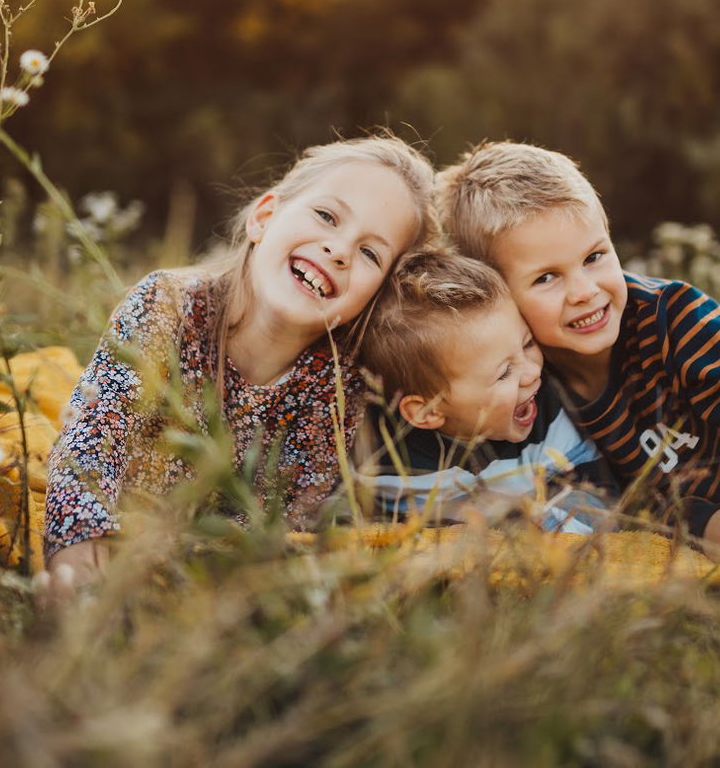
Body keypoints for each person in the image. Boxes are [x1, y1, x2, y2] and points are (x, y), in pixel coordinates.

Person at [42, 134, 436, 595]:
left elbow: (277, 520)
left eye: (370, 253)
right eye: (326, 216)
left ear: (377, 296)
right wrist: (77, 553)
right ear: (265, 217)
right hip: (106, 522)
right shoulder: (167, 305)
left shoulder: (337, 385)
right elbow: (89, 446)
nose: (339, 250)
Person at [436, 142, 720, 562]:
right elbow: (618, 501)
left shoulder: (673, 318)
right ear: (496, 298)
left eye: (595, 256)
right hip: (689, 490)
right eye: (547, 278)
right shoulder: (528, 387)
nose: (586, 292)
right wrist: (704, 523)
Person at [357, 249, 615, 534]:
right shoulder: (382, 458)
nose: (532, 373)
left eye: (528, 344)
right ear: (428, 411)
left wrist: (531, 526)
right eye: (504, 372)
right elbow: (347, 521)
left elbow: (595, 495)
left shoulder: (549, 415)